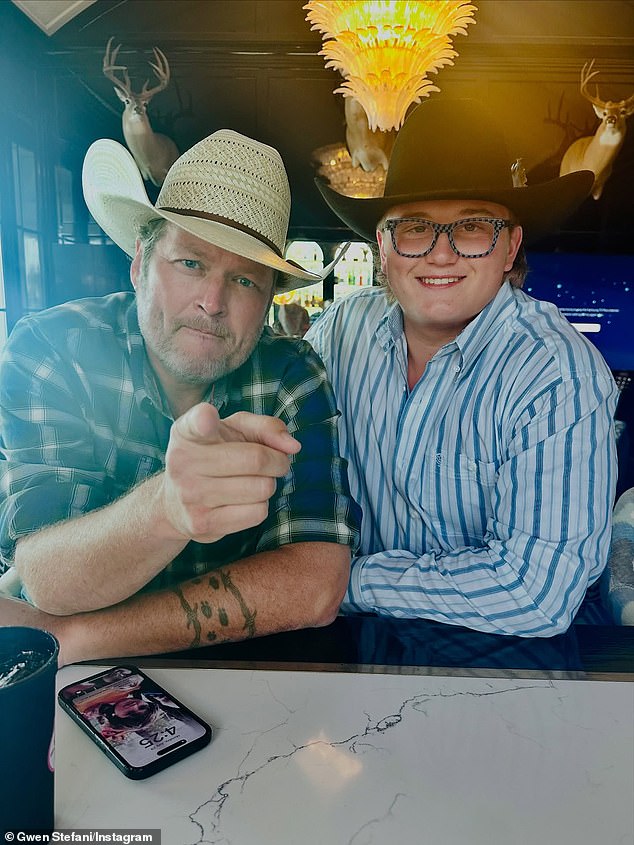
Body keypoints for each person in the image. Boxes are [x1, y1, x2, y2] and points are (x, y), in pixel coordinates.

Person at [0, 129, 359, 665]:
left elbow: (315, 587)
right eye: (190, 263)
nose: (212, 302)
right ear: (139, 264)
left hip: (230, 673)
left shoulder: (291, 372)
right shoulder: (54, 349)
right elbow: (48, 579)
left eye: (244, 280)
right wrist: (167, 508)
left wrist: (78, 637)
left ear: (268, 301)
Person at [306, 98, 618, 637]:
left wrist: (333, 584)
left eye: (472, 227)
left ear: (510, 247)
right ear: (383, 247)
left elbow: (535, 594)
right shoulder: (341, 332)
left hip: (504, 665)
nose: (441, 254)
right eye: (414, 228)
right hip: (344, 650)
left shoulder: (556, 372)